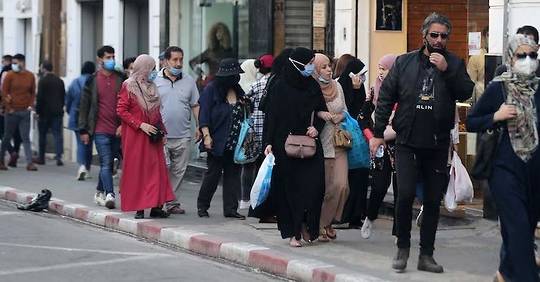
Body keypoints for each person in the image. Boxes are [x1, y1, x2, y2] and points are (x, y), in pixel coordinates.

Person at [370, 13, 474, 273]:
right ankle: (402, 247)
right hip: (407, 141)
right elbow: (385, 98)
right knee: (404, 195)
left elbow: (465, 92)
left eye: (443, 36)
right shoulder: (404, 63)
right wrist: (379, 133)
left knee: (431, 200)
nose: (439, 41)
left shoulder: (454, 64)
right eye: (434, 35)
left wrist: (447, 71)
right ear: (424, 35)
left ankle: (426, 254)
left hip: (437, 144)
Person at [467, 34, 540, 282]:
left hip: (535, 172)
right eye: (522, 56)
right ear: (511, 57)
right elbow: (472, 120)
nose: (528, 61)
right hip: (504, 169)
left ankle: (504, 274)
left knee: (524, 230)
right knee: (518, 228)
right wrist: (496, 116)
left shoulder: (538, 87)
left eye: (533, 55)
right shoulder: (499, 87)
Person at [264, 47, 327, 247]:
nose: (310, 67)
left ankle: (308, 225)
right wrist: (268, 143)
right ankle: (293, 232)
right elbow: (271, 117)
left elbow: (321, 112)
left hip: (310, 145)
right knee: (290, 190)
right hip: (285, 145)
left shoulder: (312, 86)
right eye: (308, 63)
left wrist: (316, 128)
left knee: (315, 187)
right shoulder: (279, 86)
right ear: (296, 64)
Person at [117, 54, 175, 219]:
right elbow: (121, 110)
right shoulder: (128, 86)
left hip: (153, 137)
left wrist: (162, 131)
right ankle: (140, 208)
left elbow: (157, 113)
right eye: (152, 68)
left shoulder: (152, 87)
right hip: (136, 137)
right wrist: (140, 125)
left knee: (157, 171)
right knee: (138, 171)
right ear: (143, 68)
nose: (154, 71)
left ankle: (157, 206)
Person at [197, 58, 248, 220]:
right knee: (213, 175)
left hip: (235, 141)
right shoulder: (211, 90)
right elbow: (203, 114)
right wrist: (206, 136)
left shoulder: (238, 90)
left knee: (233, 176)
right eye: (233, 75)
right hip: (216, 140)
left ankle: (231, 209)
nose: (235, 78)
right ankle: (202, 206)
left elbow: (247, 111)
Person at [155, 46, 201, 215]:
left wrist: (199, 126)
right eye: (175, 60)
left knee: (179, 170)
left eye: (181, 59)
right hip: (161, 136)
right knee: (163, 168)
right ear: (166, 61)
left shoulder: (189, 80)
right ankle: (158, 200)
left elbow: (195, 104)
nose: (179, 63)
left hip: (183, 134)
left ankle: (171, 202)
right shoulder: (155, 80)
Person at [79, 45, 125, 209]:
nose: (111, 60)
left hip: (117, 129)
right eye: (108, 57)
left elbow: (126, 103)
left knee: (110, 162)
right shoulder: (92, 80)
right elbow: (84, 106)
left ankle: (99, 191)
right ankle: (109, 194)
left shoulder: (120, 78)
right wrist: (83, 130)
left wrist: (123, 124)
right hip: (99, 129)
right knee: (106, 163)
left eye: (113, 57)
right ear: (100, 59)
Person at [249, 51, 290, 223]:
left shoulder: (269, 81)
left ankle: (261, 209)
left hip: (265, 132)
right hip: (272, 135)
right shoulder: (278, 83)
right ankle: (265, 211)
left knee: (265, 173)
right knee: (270, 175)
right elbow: (272, 112)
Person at [361, 54, 398, 239]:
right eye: (380, 69)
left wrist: (389, 134)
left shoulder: (405, 90)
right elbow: (363, 119)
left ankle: (399, 231)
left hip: (400, 145)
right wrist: (372, 138)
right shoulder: (373, 92)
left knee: (402, 189)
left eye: (385, 69)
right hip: (379, 147)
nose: (381, 73)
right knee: (379, 185)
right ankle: (370, 216)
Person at [312, 53, 349, 242]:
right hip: (321, 144)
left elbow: (345, 110)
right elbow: (307, 110)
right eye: (324, 67)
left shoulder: (338, 86)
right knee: (326, 188)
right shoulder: (311, 87)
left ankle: (327, 222)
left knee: (342, 186)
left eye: (329, 66)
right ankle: (320, 225)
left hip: (339, 141)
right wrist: (321, 114)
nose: (328, 69)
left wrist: (339, 117)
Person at [336, 58, 370, 229]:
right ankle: (343, 214)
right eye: (360, 75)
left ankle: (356, 215)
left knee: (360, 178)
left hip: (360, 143)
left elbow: (363, 113)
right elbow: (345, 109)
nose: (362, 79)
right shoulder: (341, 87)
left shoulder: (361, 89)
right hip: (345, 141)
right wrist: (355, 91)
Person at [0, 54, 37, 171]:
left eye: (16, 63)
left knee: (25, 137)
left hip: (24, 111)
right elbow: (4, 92)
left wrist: (30, 105)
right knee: (7, 136)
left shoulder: (30, 76)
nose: (14, 65)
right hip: (11, 111)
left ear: (23, 62)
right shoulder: (10, 75)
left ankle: (29, 163)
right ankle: (1, 161)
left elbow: (32, 92)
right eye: (13, 63)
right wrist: (8, 107)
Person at [66, 61, 96, 180]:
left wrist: (70, 112)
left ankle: (82, 166)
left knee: (80, 142)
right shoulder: (94, 81)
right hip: (91, 118)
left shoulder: (75, 82)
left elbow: (68, 101)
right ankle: (86, 167)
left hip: (76, 116)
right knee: (89, 143)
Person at [35, 60, 65, 166]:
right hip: (57, 111)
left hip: (44, 112)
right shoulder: (59, 81)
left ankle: (41, 157)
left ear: (44, 68)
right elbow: (63, 96)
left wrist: (37, 111)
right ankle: (59, 157)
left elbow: (40, 98)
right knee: (57, 134)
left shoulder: (42, 81)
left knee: (42, 135)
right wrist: (61, 107)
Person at [189, 22, 234, 89]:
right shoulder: (210, 51)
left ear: (225, 34)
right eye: (217, 32)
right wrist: (202, 74)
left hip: (227, 84)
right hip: (212, 84)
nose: (219, 34)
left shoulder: (230, 51)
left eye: (220, 32)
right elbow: (192, 62)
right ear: (213, 34)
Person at [0, 54, 23, 168]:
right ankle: (15, 152)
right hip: (18, 107)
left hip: (6, 106)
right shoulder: (21, 73)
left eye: (3, 61)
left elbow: (2, 91)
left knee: (3, 132)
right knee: (14, 131)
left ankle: (10, 152)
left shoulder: (5, 73)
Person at [467, 26, 489, 103]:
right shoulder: (476, 57)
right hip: (481, 98)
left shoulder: (505, 55)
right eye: (488, 35)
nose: (491, 38)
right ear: (484, 37)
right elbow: (471, 82)